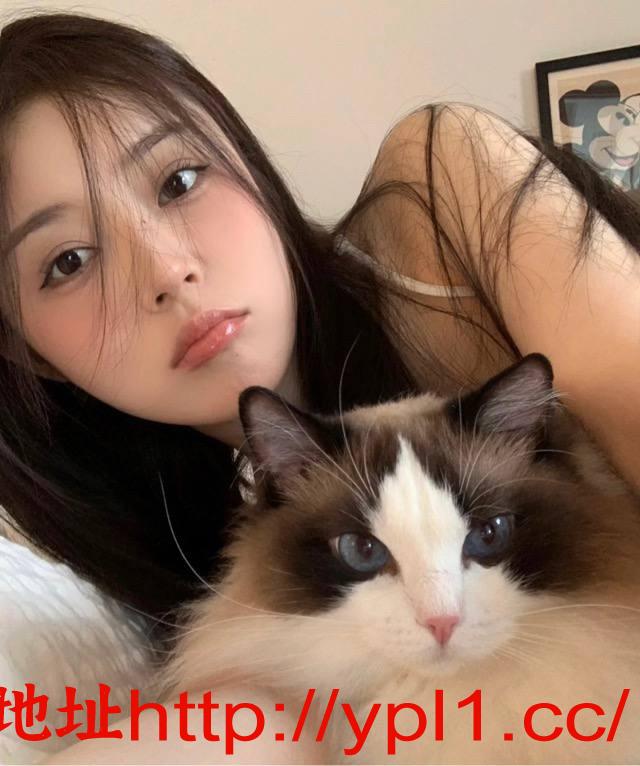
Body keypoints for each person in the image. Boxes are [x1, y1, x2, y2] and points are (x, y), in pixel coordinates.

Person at [0, 9, 638, 763]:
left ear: (246, 159)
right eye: (69, 261)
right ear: (30, 353)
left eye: (179, 180)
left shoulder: (439, 203)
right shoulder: (154, 543)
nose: (168, 271)